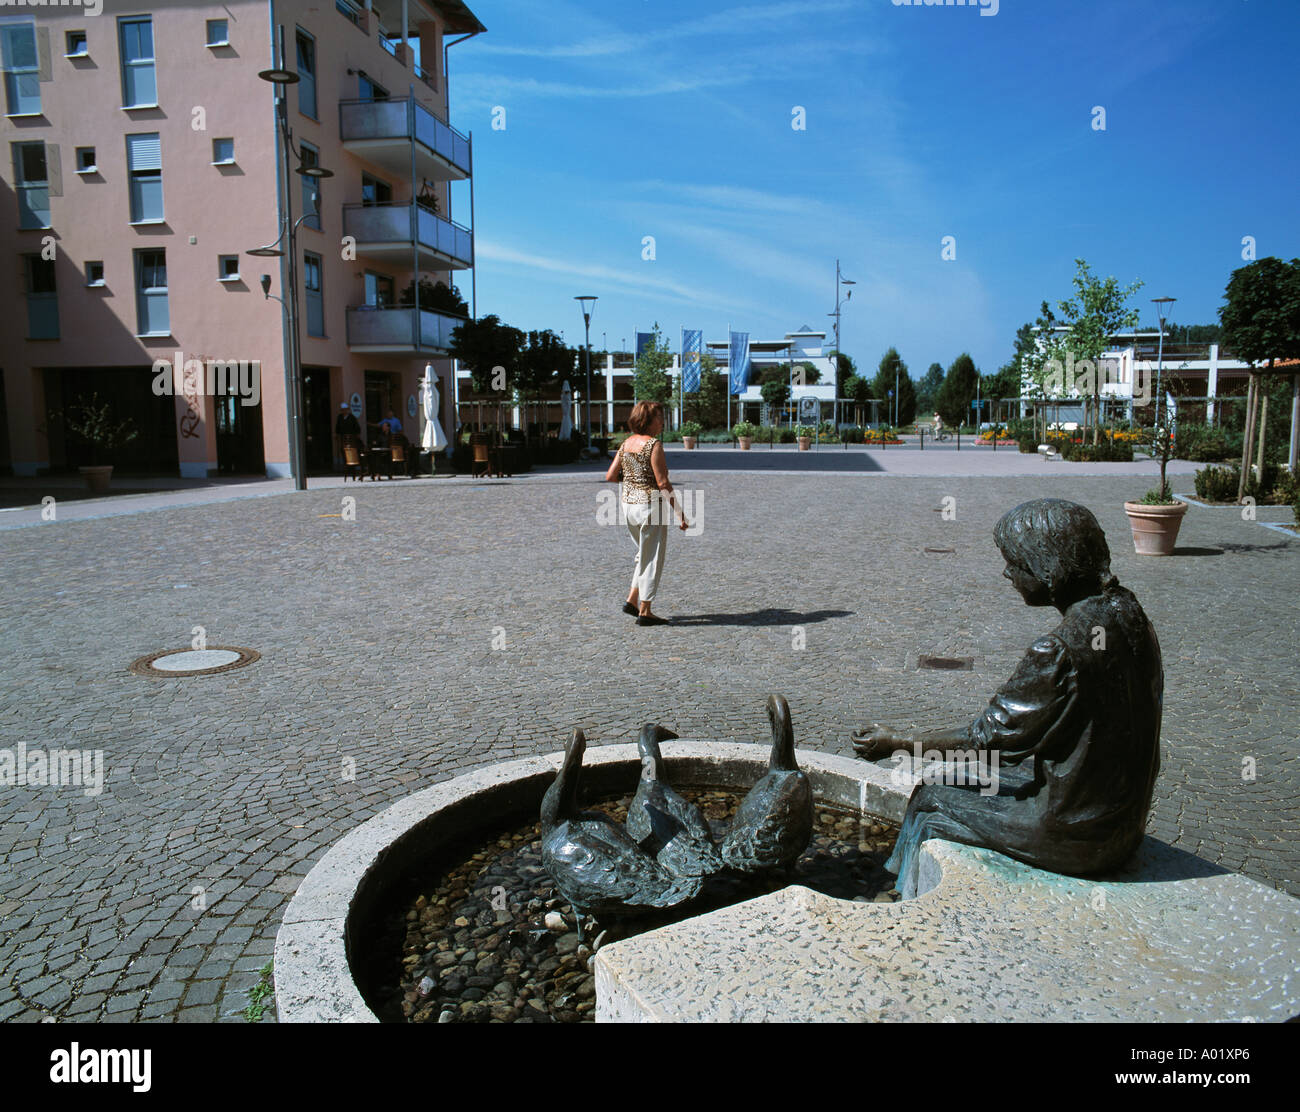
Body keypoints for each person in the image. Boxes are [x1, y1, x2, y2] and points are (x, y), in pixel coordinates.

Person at [852, 499, 1162, 898]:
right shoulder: (1130, 612)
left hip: (1078, 835)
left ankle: (905, 905)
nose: (1007, 573)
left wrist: (897, 743)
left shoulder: (1059, 650)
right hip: (1123, 824)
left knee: (931, 797)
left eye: (1015, 564)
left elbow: (987, 739)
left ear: (1047, 568)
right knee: (987, 779)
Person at [604, 401, 689, 627]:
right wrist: (680, 513)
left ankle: (632, 600)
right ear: (647, 421)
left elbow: (610, 476)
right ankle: (646, 609)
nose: (662, 422)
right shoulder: (653, 445)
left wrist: (632, 480)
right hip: (650, 506)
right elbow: (662, 482)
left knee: (643, 553)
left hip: (628, 506)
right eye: (659, 418)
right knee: (652, 556)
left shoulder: (626, 443)